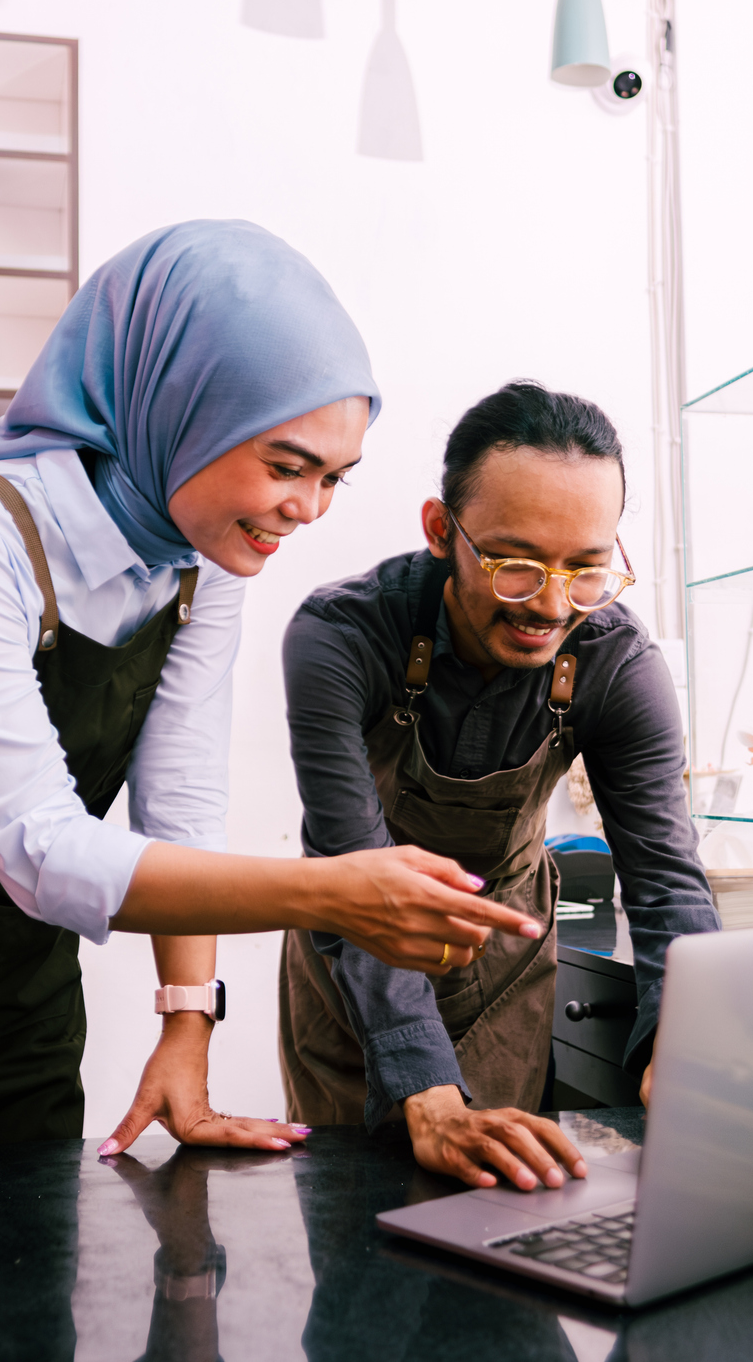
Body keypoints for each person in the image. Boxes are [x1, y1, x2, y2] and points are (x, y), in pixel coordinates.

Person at [0, 222, 542, 1155]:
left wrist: (188, 1027)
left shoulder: (201, 560)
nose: (305, 510)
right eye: (285, 466)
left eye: (333, 479)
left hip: (18, 1014)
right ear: (183, 408)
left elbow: (177, 811)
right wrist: (328, 895)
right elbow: (41, 850)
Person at [277, 381, 720, 1190]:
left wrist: (684, 1042)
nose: (550, 606)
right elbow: (349, 869)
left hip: (505, 964)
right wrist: (425, 1089)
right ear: (442, 531)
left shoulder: (617, 663)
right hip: (355, 962)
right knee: (358, 1236)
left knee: (501, 1224)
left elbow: (664, 877)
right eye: (516, 567)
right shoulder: (341, 638)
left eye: (586, 569)